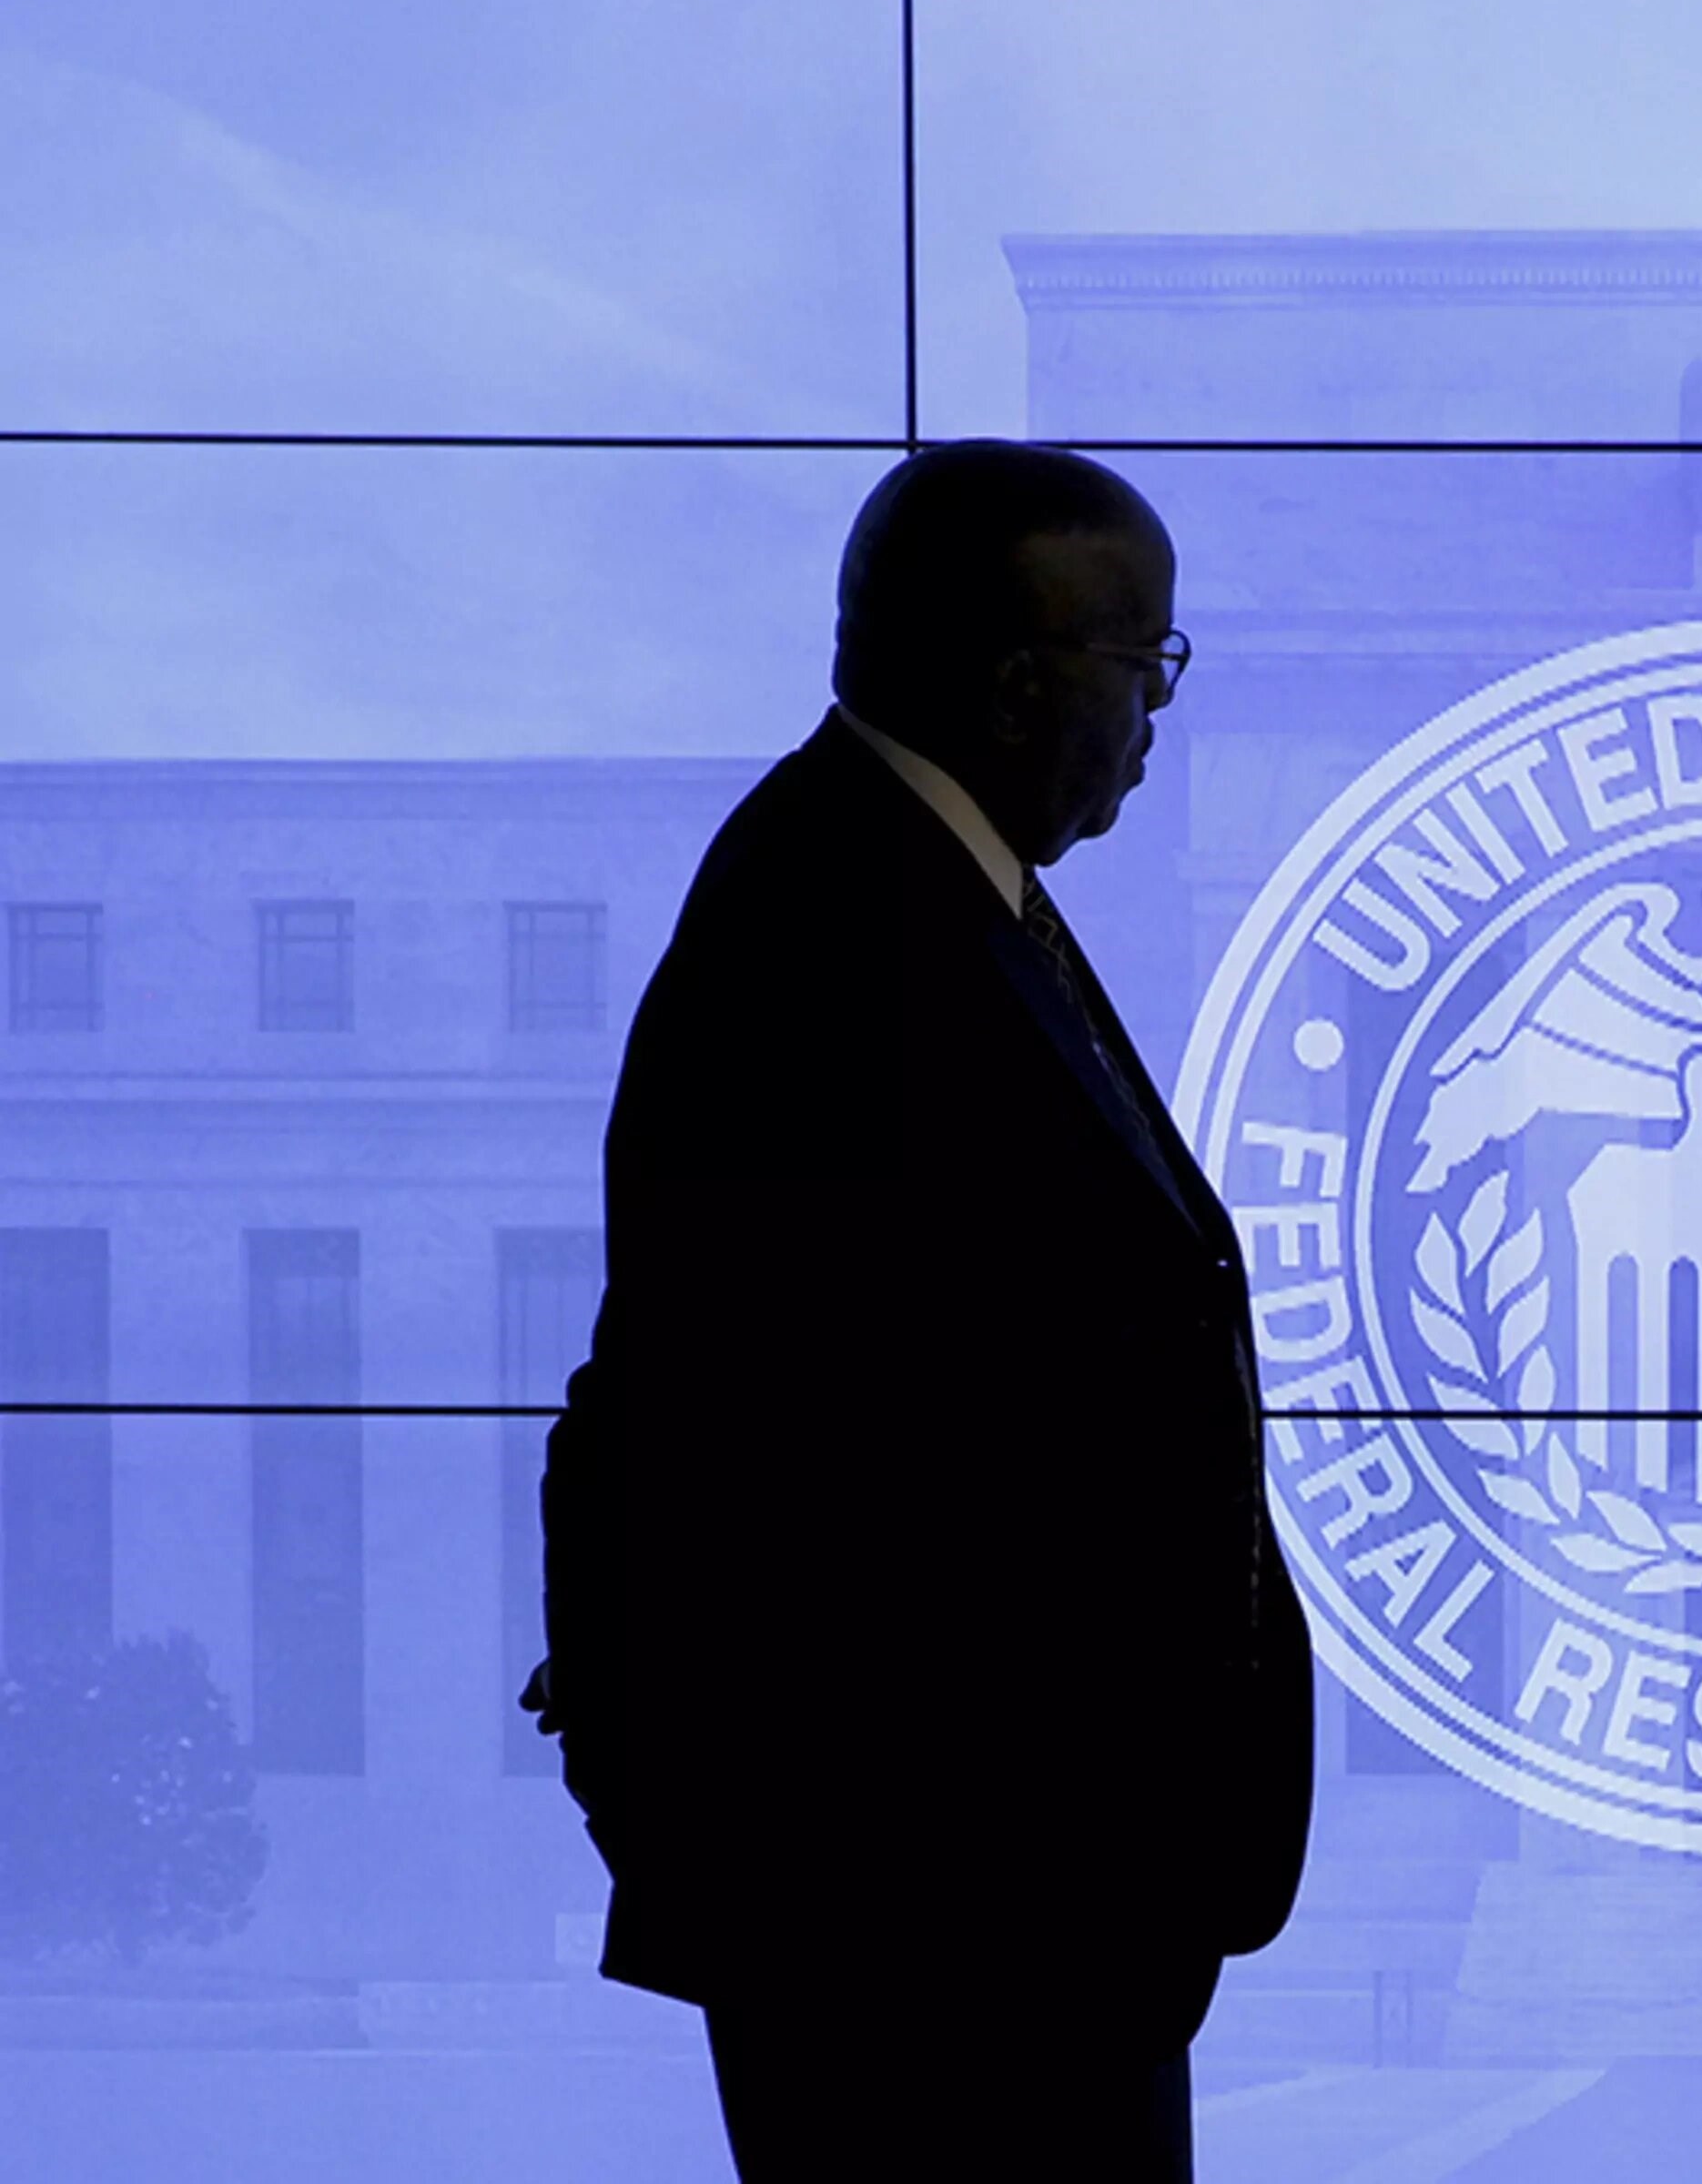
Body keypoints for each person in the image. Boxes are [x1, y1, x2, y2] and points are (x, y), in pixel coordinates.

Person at [519, 441, 1312, 2179]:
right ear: (1022, 686)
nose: (1158, 718)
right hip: (935, 1918)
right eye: (1143, 665)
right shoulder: (827, 924)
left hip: (1018, 1897)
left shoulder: (939, 886)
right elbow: (720, 1427)